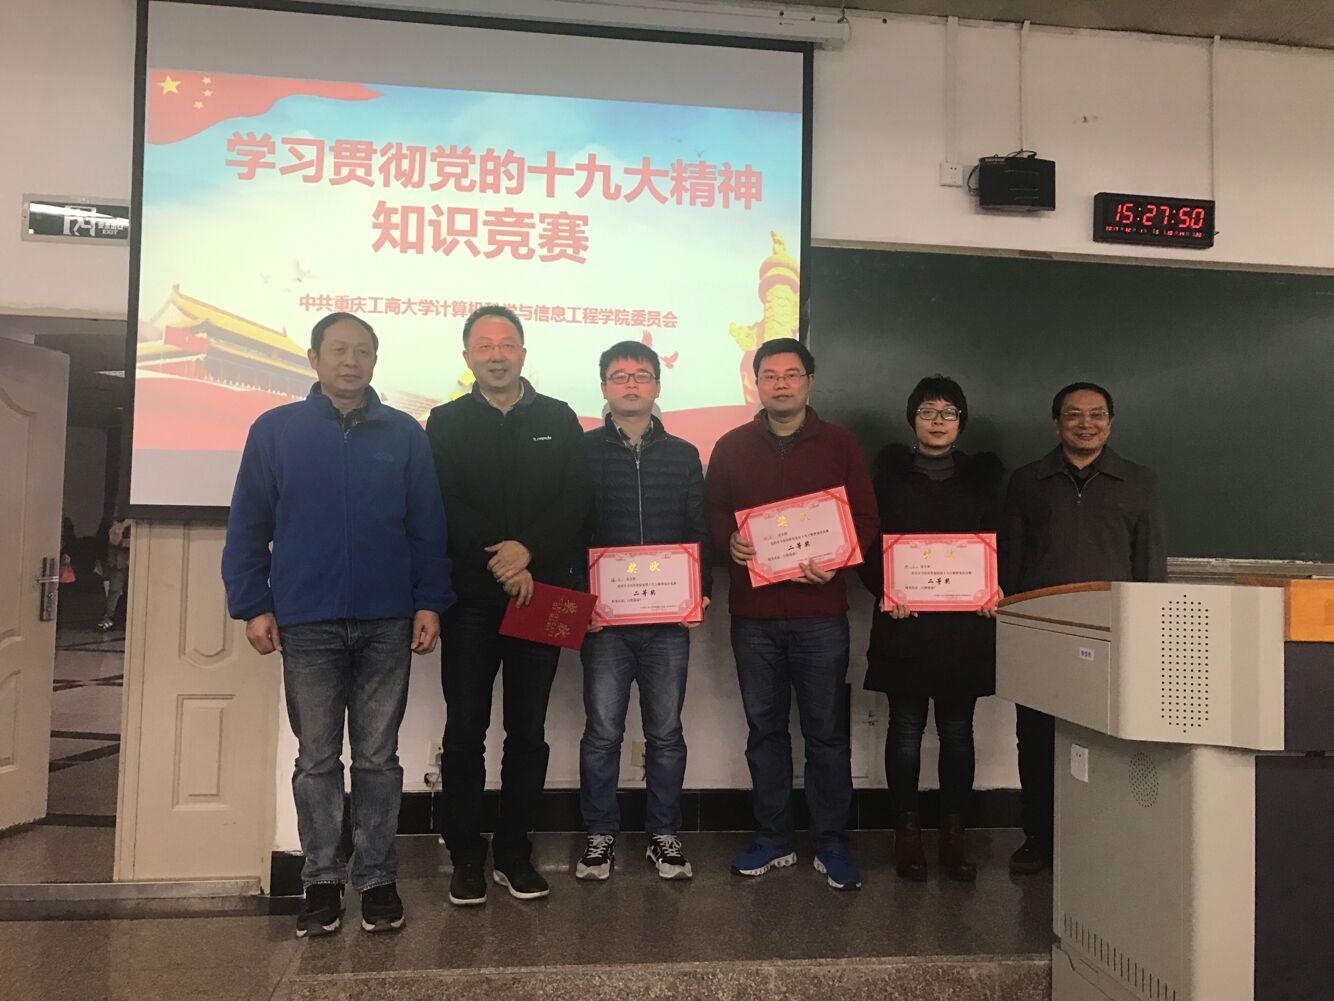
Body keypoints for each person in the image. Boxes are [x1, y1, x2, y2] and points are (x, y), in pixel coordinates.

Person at [222, 311, 453, 937]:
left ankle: (377, 879)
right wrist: (253, 603)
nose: (351, 362)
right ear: (314, 358)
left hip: (387, 619)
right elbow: (248, 523)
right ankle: (322, 882)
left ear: (375, 360)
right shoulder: (275, 430)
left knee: (378, 759)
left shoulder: (404, 433)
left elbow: (427, 526)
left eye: (363, 352)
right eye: (339, 350)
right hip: (307, 619)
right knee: (317, 760)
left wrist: (430, 601)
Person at [425, 304, 591, 906]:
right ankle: (466, 856)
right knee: (465, 731)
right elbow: (441, 501)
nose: (496, 354)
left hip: (541, 594)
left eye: (507, 344)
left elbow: (576, 498)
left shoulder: (558, 417)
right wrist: (501, 559)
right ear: (467, 356)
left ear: (523, 352)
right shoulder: (445, 421)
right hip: (470, 599)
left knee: (528, 731)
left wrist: (528, 552)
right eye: (484, 345)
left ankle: (515, 852)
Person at [704, 337, 879, 891]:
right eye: (770, 375)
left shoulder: (841, 444)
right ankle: (773, 837)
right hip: (754, 616)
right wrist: (728, 541)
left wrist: (839, 560)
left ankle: (831, 841)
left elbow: (866, 519)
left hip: (820, 615)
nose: (781, 383)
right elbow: (712, 514)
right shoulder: (730, 446)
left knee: (827, 732)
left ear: (809, 382)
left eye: (792, 374)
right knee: (765, 731)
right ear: (756, 383)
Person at [1000, 381, 1165, 874]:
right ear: (1057, 424)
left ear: (1110, 423)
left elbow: (1149, 564)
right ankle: (1039, 838)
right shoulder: (1027, 482)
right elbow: (1011, 562)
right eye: (1073, 415)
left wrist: (1149, 633)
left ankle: (1101, 840)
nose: (1085, 424)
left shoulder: (1139, 482)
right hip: (1041, 633)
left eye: (1096, 414)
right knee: (1035, 739)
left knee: (1108, 739)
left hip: (1111, 633)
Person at [574, 340, 710, 883]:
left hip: (668, 623)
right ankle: (600, 834)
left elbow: (698, 529)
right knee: (602, 732)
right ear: (603, 387)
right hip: (603, 623)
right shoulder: (579, 451)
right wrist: (580, 604)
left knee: (666, 733)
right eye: (619, 375)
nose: (630, 383)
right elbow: (568, 532)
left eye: (641, 375)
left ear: (656, 385)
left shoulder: (684, 454)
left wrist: (699, 591)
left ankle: (664, 835)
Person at [859, 376, 1003, 882]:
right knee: (904, 730)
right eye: (927, 411)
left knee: (958, 732)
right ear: (911, 419)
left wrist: (995, 587)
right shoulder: (885, 480)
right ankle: (908, 835)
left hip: (966, 626)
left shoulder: (985, 480)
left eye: (948, 412)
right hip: (905, 624)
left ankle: (953, 836)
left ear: (961, 422)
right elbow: (866, 545)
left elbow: (1002, 543)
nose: (937, 421)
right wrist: (884, 590)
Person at [97, 515, 132, 631]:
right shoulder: (117, 524)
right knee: (114, 591)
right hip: (119, 565)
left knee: (133, 592)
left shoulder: (141, 524)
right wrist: (125, 524)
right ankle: (109, 617)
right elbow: (115, 541)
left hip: (134, 564)